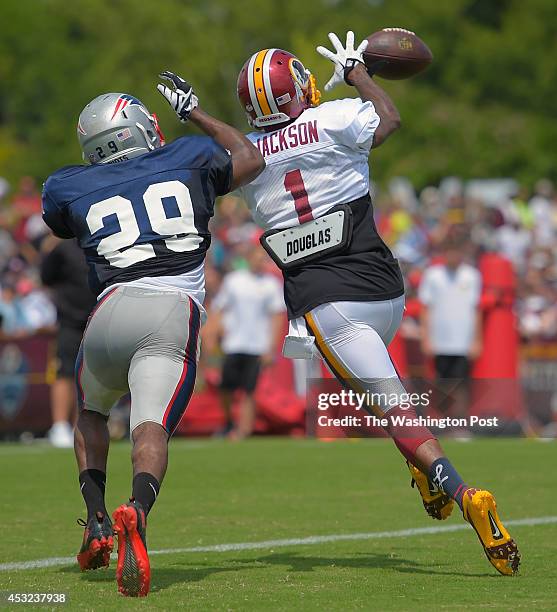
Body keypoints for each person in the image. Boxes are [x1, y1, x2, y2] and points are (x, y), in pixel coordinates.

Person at [229, 32, 520, 575]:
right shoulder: (338, 116)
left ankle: (463, 494)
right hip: (386, 291)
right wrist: (359, 71)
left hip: (328, 306)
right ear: (299, 88)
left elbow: (245, 160)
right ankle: (420, 475)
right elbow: (388, 119)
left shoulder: (243, 158)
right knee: (379, 401)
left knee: (396, 412)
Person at [42, 77, 264, 596]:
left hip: (105, 317)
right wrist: (196, 113)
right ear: (142, 128)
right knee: (149, 429)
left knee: (91, 416)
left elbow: (62, 223)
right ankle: (135, 512)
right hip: (168, 309)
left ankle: (95, 518)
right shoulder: (188, 155)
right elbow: (249, 157)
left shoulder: (67, 183)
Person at [210, 241, 285, 438]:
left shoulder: (271, 284)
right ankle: (228, 422)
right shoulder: (234, 280)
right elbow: (219, 308)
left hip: (257, 346)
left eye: (264, 258)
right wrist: (215, 332)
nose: (261, 262)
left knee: (250, 390)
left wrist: (271, 348)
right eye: (258, 257)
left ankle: (243, 430)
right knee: (226, 388)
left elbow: (277, 316)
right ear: (249, 258)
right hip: (233, 344)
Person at [41, 236, 97, 448]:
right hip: (70, 321)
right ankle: (59, 426)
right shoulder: (62, 249)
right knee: (64, 371)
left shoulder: (102, 243)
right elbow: (46, 276)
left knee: (91, 376)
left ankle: (82, 425)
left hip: (99, 319)